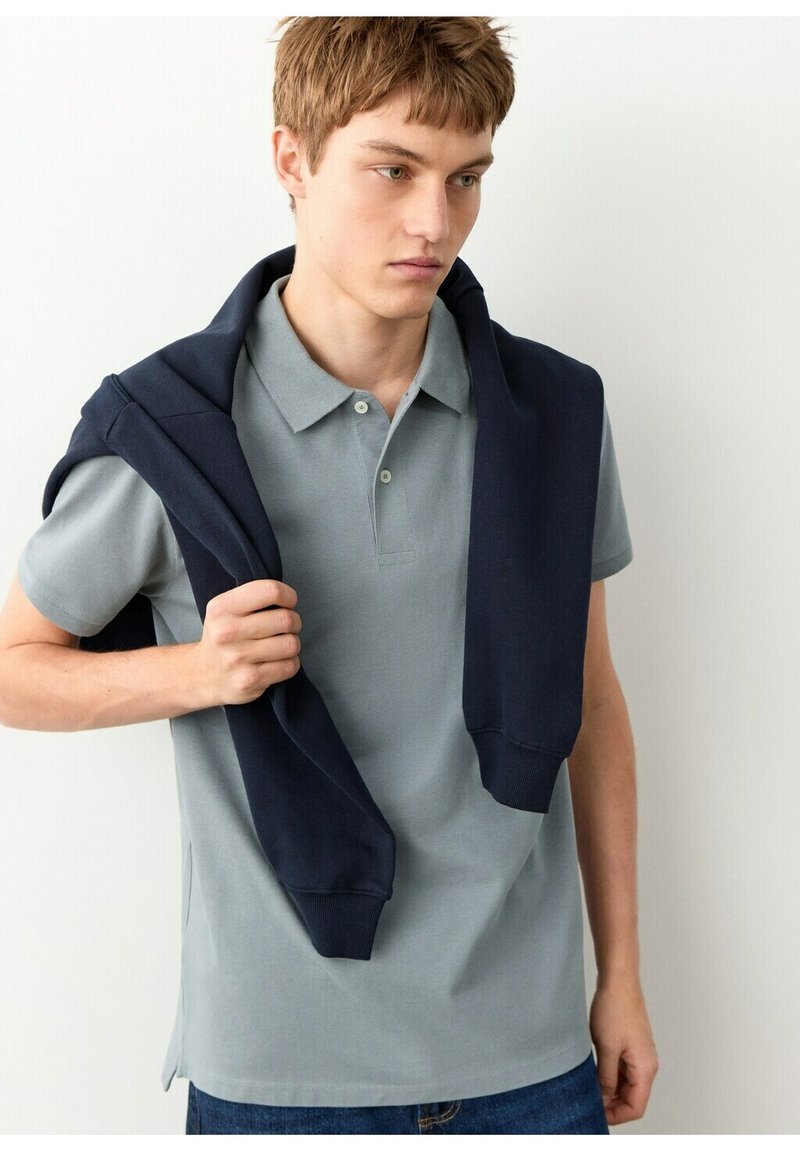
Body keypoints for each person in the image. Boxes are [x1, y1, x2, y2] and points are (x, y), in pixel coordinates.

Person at [0, 16, 658, 1136]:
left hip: (530, 1054)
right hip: (281, 1068)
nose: (433, 221)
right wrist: (194, 673)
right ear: (292, 160)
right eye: (393, 169)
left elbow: (589, 701)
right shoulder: (169, 433)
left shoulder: (551, 415)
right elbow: (16, 666)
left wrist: (624, 974)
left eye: (465, 177)